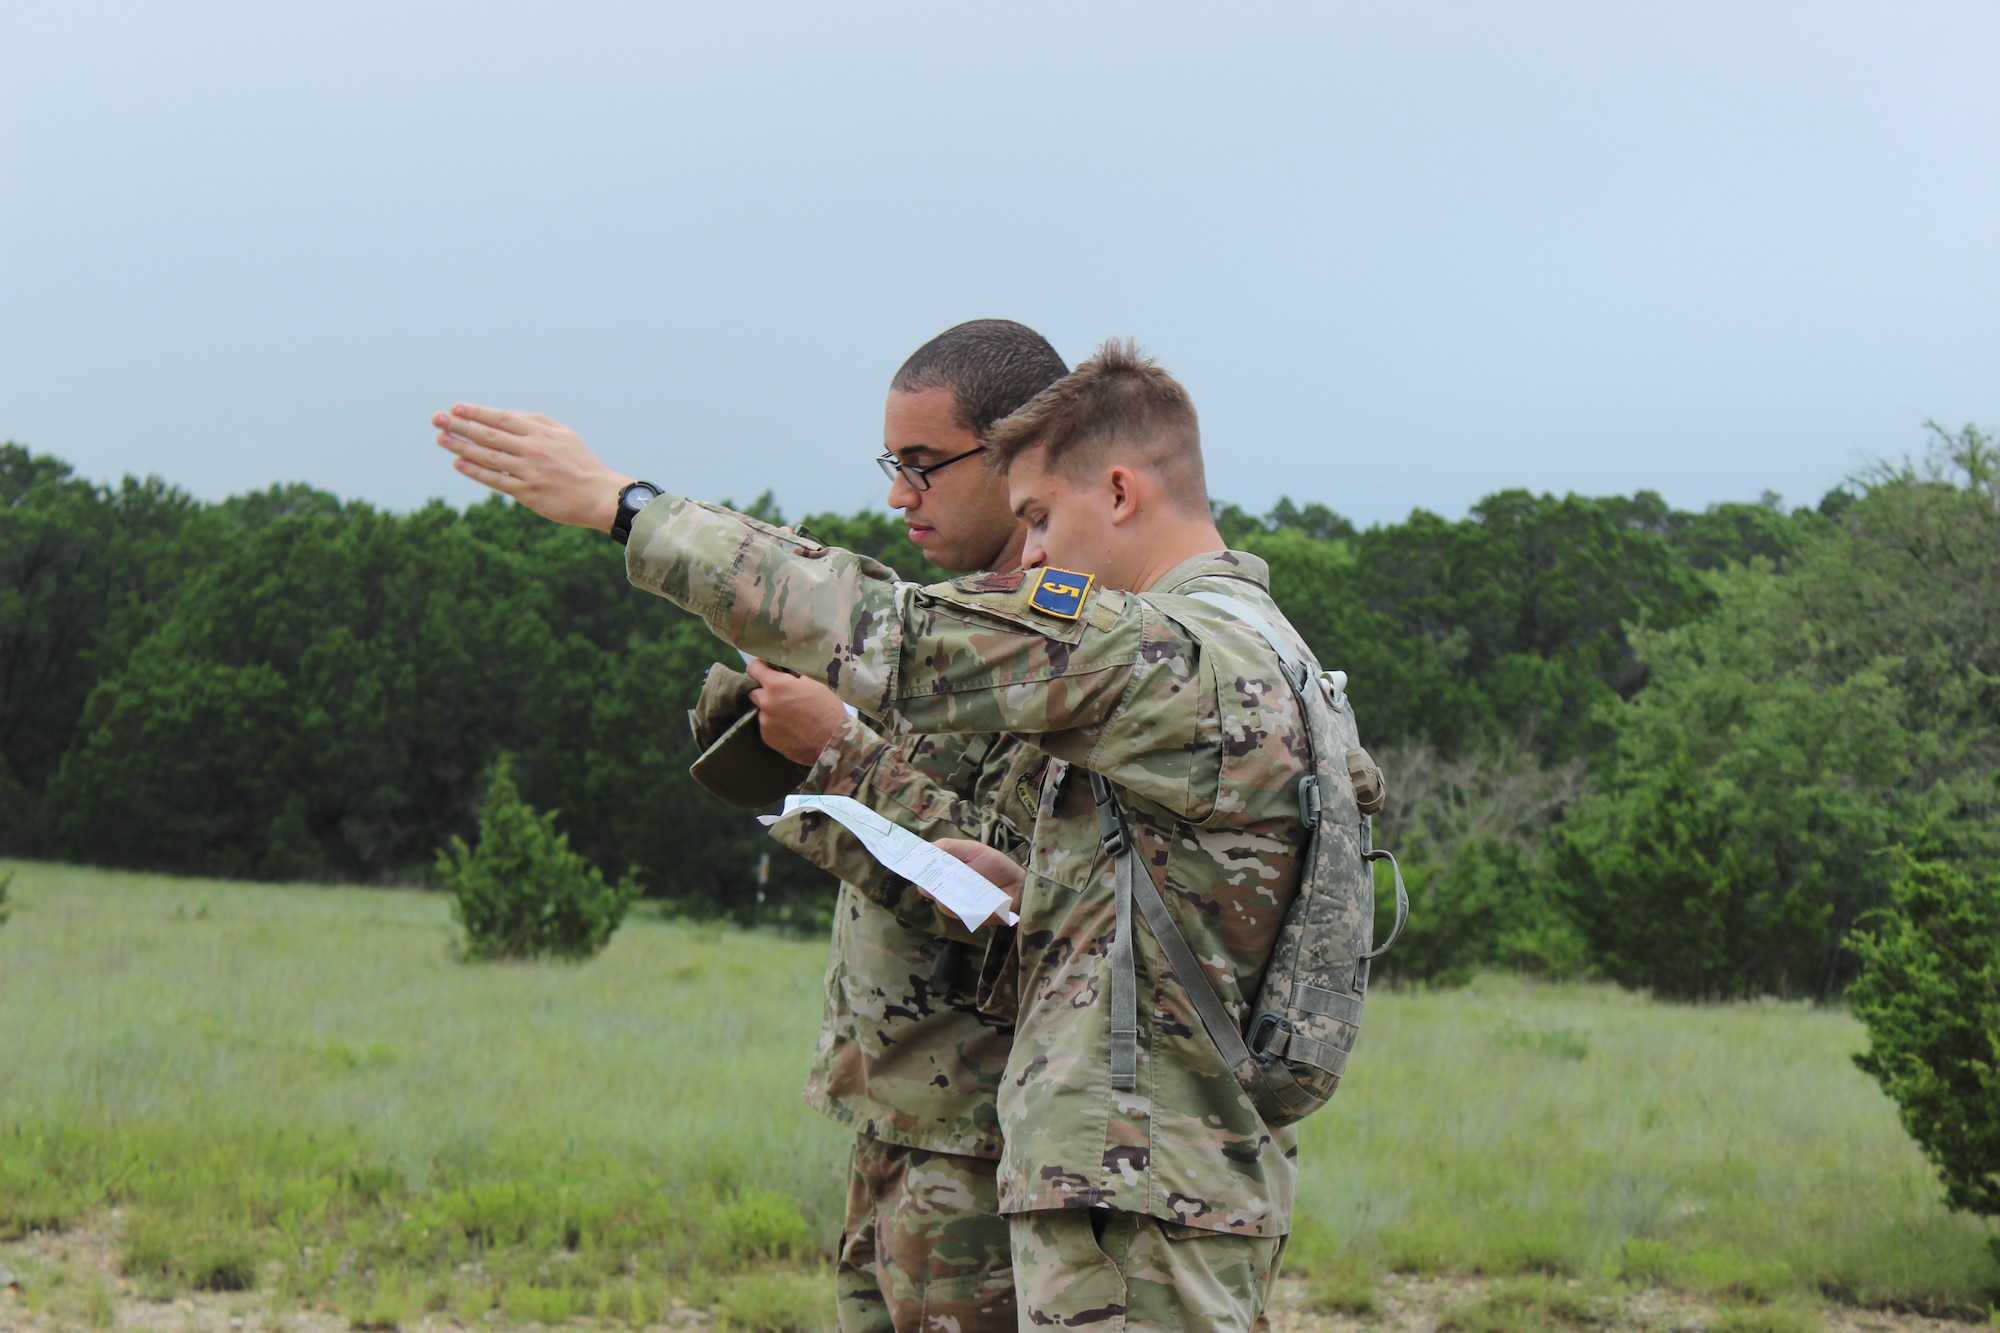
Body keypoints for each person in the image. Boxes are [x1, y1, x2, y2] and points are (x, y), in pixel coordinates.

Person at [434, 339, 1315, 1332]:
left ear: (1115, 490)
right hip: (1134, 1171)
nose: (1033, 555)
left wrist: (625, 507)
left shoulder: (1173, 653)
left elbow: (888, 632)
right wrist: (1029, 885)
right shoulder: (1243, 652)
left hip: (1131, 1180)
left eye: (1039, 517)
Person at [743, 319, 1067, 1333]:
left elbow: (1012, 890)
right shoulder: (938, 631)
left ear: (1020, 457)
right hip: (901, 1117)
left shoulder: (1078, 650)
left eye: (923, 466)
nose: (898, 496)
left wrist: (837, 749)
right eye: (894, 465)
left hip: (985, 1138)